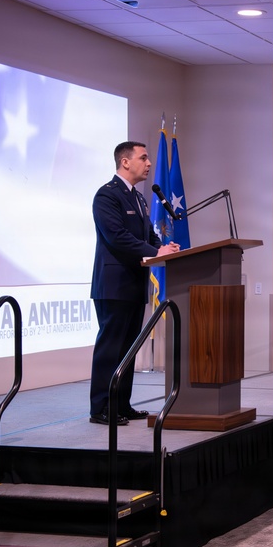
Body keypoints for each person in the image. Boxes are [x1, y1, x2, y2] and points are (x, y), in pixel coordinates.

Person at [89, 141, 179, 426]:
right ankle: (101, 407)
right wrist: (155, 252)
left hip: (134, 285)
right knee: (110, 348)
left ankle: (121, 404)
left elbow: (148, 236)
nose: (149, 163)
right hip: (113, 285)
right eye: (143, 157)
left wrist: (164, 247)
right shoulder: (107, 196)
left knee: (128, 348)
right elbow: (116, 236)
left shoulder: (139, 199)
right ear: (125, 162)